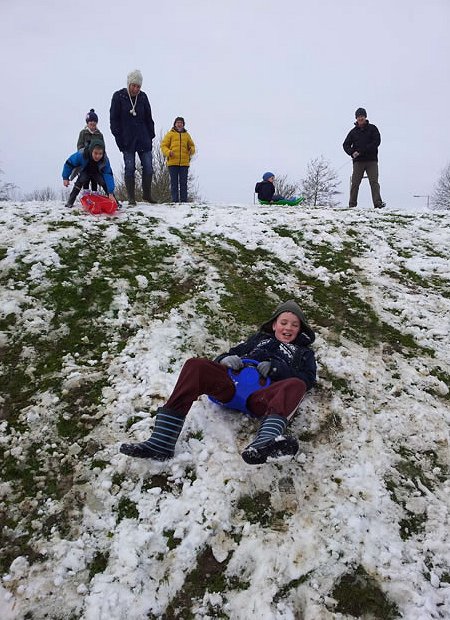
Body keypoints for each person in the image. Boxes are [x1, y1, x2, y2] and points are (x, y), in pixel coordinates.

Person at [120, 300, 317, 465]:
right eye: (284, 322)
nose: (288, 328)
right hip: (231, 385)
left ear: (300, 330)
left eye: (294, 325)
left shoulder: (303, 353)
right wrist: (224, 359)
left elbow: (308, 380)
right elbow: (232, 352)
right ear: (274, 325)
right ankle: (161, 443)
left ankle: (263, 444)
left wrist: (277, 369)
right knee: (195, 365)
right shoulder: (258, 340)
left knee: (296, 385)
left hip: (263, 396)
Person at [110, 69, 155, 205]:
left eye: (138, 86)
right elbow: (114, 120)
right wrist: (119, 139)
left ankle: (147, 194)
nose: (136, 89)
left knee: (148, 167)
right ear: (129, 84)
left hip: (143, 139)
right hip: (127, 140)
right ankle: (131, 197)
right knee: (130, 168)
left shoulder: (143, 97)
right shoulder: (118, 96)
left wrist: (150, 135)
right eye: (134, 85)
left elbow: (149, 117)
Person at [343, 107, 386, 209]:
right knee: (355, 183)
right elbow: (345, 145)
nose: (360, 118)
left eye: (362, 116)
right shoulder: (353, 132)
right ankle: (352, 205)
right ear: (356, 118)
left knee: (374, 182)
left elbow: (377, 141)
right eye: (358, 117)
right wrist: (352, 152)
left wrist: (364, 150)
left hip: (372, 161)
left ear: (365, 117)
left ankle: (378, 204)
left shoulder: (373, 128)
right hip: (358, 162)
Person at [62, 139, 115, 208]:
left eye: (100, 154)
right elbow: (69, 163)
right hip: (85, 170)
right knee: (81, 181)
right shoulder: (81, 154)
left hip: (96, 172)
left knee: (103, 182)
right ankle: (70, 201)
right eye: (95, 153)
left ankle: (115, 201)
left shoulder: (104, 159)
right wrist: (65, 178)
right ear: (91, 150)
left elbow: (108, 174)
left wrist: (110, 192)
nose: (98, 156)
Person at [161, 117, 196, 202]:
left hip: (184, 163)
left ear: (183, 124)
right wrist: (168, 152)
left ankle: (184, 201)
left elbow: (192, 146)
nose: (179, 124)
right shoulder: (170, 134)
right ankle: (175, 201)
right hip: (173, 162)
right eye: (178, 122)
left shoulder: (187, 135)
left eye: (181, 122)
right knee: (174, 183)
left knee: (183, 183)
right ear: (175, 124)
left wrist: (191, 150)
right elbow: (163, 146)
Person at [76, 109, 105, 191]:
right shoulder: (83, 133)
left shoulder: (99, 134)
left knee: (95, 178)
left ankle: (95, 192)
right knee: (86, 177)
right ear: (87, 123)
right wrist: (85, 152)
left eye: (94, 121)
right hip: (85, 159)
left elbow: (103, 146)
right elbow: (79, 146)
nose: (92, 123)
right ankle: (86, 192)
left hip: (96, 160)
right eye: (90, 121)